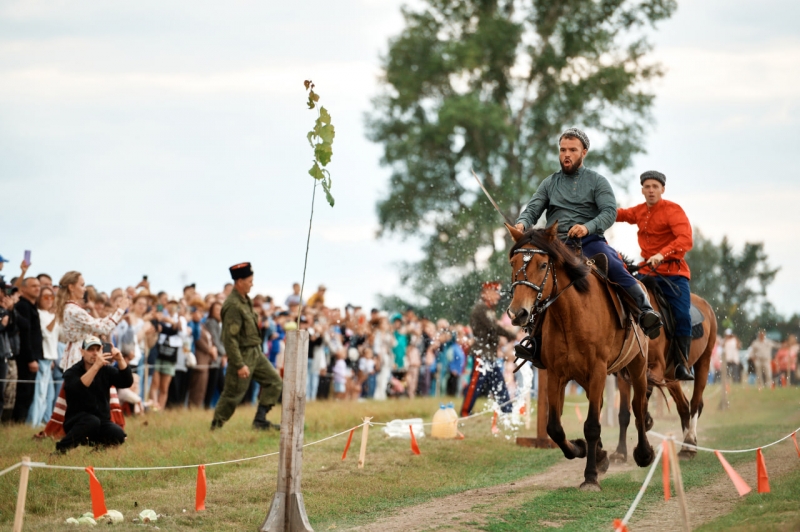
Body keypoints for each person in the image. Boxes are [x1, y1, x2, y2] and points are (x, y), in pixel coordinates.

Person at [514, 128, 662, 348]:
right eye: (563, 149)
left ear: (584, 152)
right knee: (533, 275)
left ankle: (644, 311)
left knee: (614, 265)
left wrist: (587, 227)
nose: (566, 154)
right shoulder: (549, 183)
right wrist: (522, 223)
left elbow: (609, 212)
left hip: (590, 243)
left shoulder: (597, 182)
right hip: (557, 246)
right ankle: (534, 341)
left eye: (572, 150)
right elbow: (533, 208)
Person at [616, 170, 695, 380]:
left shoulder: (673, 210)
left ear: (662, 189)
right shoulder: (640, 211)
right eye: (647, 187)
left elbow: (686, 239)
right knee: (622, 298)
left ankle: (682, 364)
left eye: (655, 187)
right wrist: (598, 211)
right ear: (642, 190)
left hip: (674, 273)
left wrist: (662, 254)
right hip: (647, 271)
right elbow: (620, 214)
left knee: (682, 316)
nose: (651, 190)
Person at [211, 262, 282, 431]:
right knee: (232, 394)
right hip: (242, 355)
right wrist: (239, 364)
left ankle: (260, 420)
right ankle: (216, 426)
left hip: (255, 352)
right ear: (239, 281)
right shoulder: (233, 305)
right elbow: (229, 339)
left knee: (275, 382)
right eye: (250, 280)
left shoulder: (246, 301)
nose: (252, 283)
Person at [56, 336, 132, 453]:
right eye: (91, 349)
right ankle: (61, 449)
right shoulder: (72, 372)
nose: (95, 353)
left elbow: (126, 382)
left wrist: (121, 359)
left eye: (98, 349)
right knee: (92, 421)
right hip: (77, 422)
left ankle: (97, 452)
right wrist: (96, 366)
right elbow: (77, 388)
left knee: (118, 434)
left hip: (101, 421)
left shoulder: (106, 370)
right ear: (82, 352)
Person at [462, 281, 517, 415]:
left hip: (488, 354)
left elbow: (492, 331)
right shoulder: (481, 308)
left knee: (499, 384)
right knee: (475, 385)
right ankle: (465, 412)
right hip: (482, 353)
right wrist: (511, 334)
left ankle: (507, 411)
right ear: (486, 293)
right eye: (495, 293)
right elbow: (494, 327)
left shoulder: (488, 309)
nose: (498, 297)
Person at [29, 286, 59, 426]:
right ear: (39, 299)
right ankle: (32, 422)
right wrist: (57, 317)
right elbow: (46, 333)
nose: (49, 300)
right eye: (45, 297)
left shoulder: (51, 315)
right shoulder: (38, 313)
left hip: (50, 357)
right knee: (40, 392)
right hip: (42, 356)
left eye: (51, 297)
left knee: (48, 393)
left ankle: (40, 420)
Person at [13, 276, 42, 423]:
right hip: (26, 358)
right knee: (24, 393)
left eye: (38, 285)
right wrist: (31, 358)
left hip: (33, 356)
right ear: (23, 289)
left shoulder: (32, 306)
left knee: (29, 393)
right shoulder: (23, 306)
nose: (38, 288)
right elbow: (25, 336)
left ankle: (21, 423)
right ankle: (17, 422)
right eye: (33, 286)